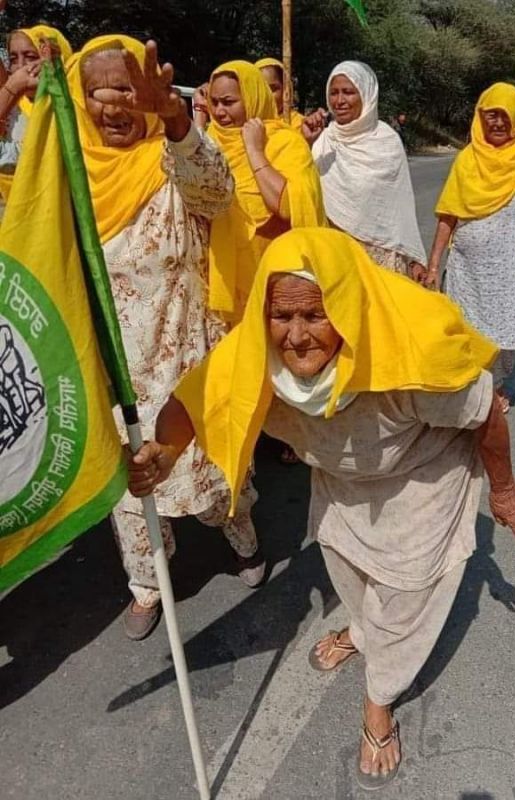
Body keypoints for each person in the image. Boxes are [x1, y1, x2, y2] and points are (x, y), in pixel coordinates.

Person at [126, 227, 515, 789]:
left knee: (406, 599)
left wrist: (504, 490)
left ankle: (379, 699)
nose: (296, 337)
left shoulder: (410, 350)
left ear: (344, 306)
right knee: (346, 567)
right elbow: (192, 401)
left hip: (422, 479)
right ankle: (363, 634)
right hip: (342, 478)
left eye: (315, 315)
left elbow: (485, 412)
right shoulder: (256, 356)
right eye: (282, 316)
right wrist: (166, 452)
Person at [66, 36, 265, 641]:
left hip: (187, 354)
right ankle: (147, 584)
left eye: (124, 89)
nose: (111, 105)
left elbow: (218, 193)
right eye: (96, 92)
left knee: (210, 473)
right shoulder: (71, 178)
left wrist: (177, 119)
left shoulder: (169, 158)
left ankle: (242, 537)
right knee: (132, 492)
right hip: (115, 370)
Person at [427, 82, 515, 412]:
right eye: (490, 114)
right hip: (466, 266)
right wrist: (434, 265)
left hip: (508, 265)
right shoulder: (467, 159)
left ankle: (499, 384)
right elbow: (448, 215)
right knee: (465, 326)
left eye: (504, 115)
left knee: (505, 327)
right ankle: (468, 380)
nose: (496, 122)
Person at [194, 60, 325, 320]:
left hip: (272, 278)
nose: (219, 111)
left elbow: (288, 207)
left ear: (252, 98)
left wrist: (254, 150)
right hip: (219, 279)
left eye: (229, 102)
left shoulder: (285, 142)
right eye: (214, 102)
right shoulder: (209, 142)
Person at [302, 61, 428, 284]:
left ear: (366, 95)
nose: (339, 101)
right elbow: (302, 191)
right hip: (333, 254)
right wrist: (305, 143)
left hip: (380, 258)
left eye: (348, 92)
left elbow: (399, 208)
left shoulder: (386, 141)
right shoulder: (321, 140)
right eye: (334, 93)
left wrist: (413, 257)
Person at [0, 25, 72, 217]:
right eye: (13, 59)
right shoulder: (13, 107)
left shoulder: (73, 105)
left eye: (31, 57)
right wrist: (11, 89)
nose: (21, 67)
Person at [254, 57, 305, 132]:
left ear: (286, 90)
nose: (267, 95)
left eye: (273, 89)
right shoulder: (246, 124)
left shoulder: (302, 125)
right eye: (260, 90)